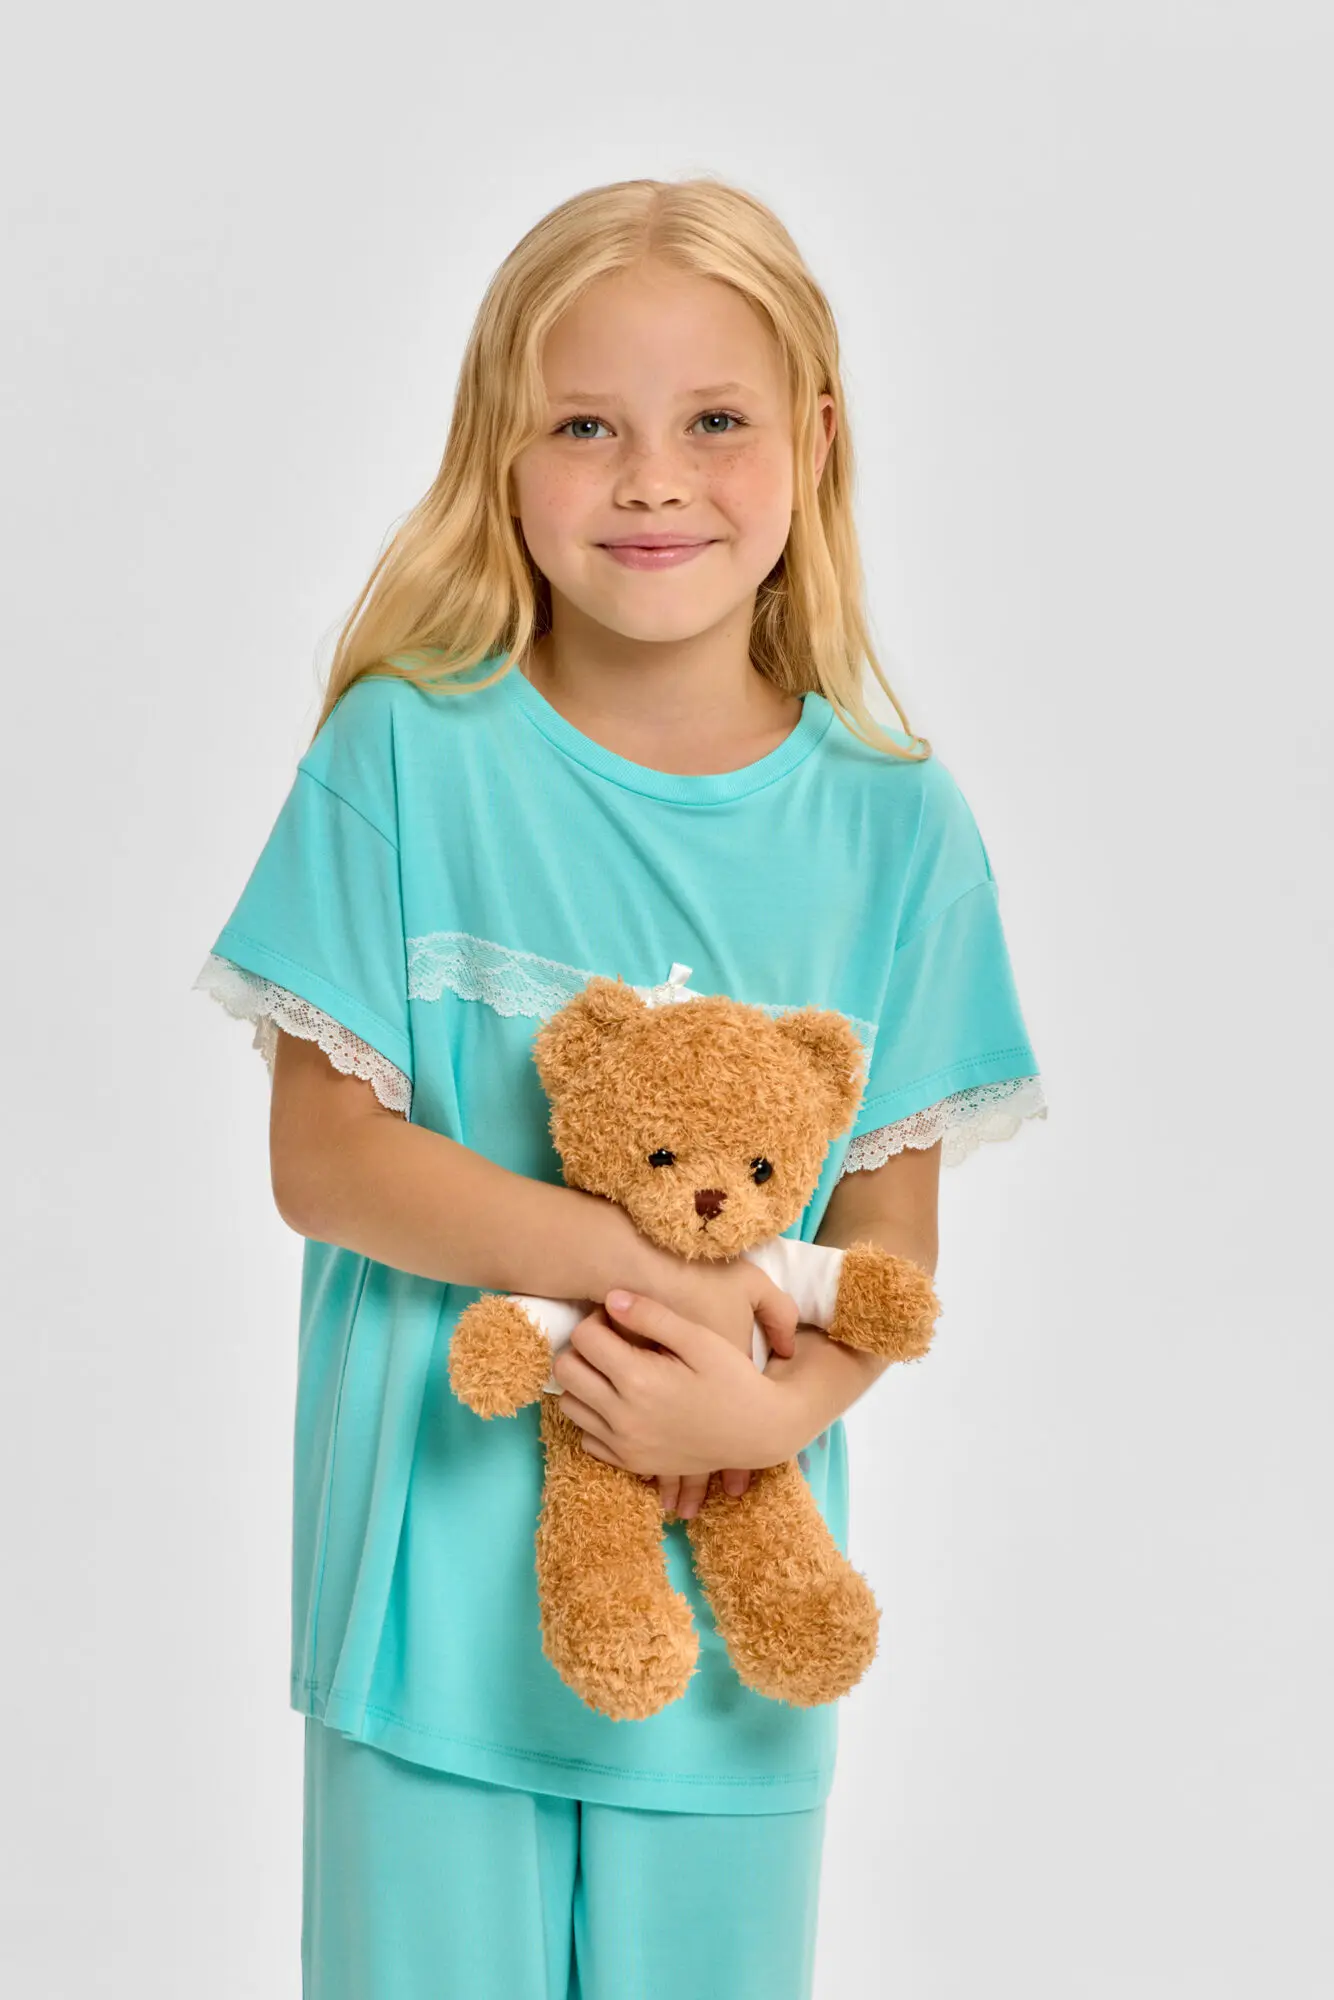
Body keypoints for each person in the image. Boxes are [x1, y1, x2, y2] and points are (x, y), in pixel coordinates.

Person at [192, 175, 1048, 2000]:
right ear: (501, 454)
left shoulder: (895, 828)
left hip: (731, 1619)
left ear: (815, 440)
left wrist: (763, 1409)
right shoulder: (406, 756)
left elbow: (887, 1241)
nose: (653, 480)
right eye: (586, 425)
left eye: (715, 421)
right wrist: (654, 1272)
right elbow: (327, 1162)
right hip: (424, 1616)